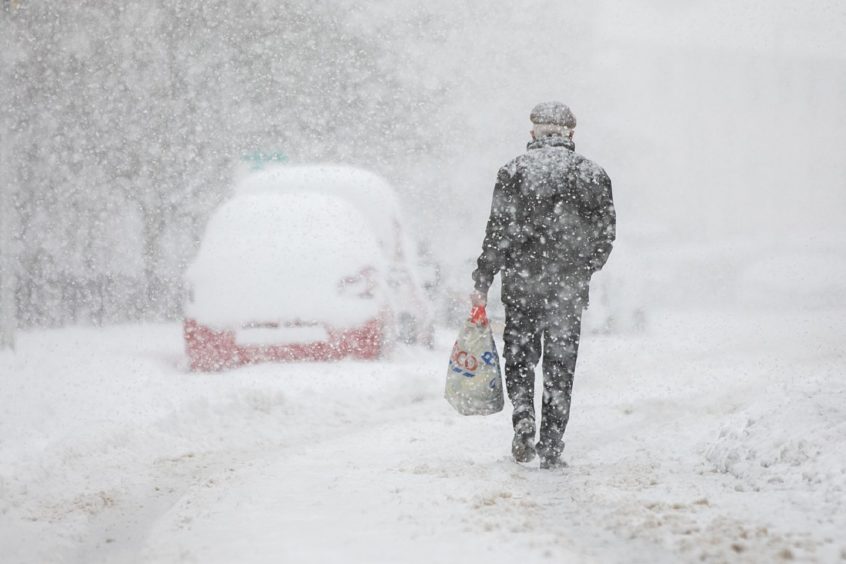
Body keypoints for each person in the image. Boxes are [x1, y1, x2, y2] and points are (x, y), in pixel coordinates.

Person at [471, 101, 616, 469]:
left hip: (521, 286)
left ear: (533, 131)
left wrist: (483, 278)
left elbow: (497, 232)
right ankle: (551, 443)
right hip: (566, 290)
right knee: (560, 365)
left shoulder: (513, 171)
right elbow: (606, 234)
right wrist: (583, 268)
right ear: (572, 134)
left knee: (519, 356)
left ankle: (523, 416)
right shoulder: (592, 174)